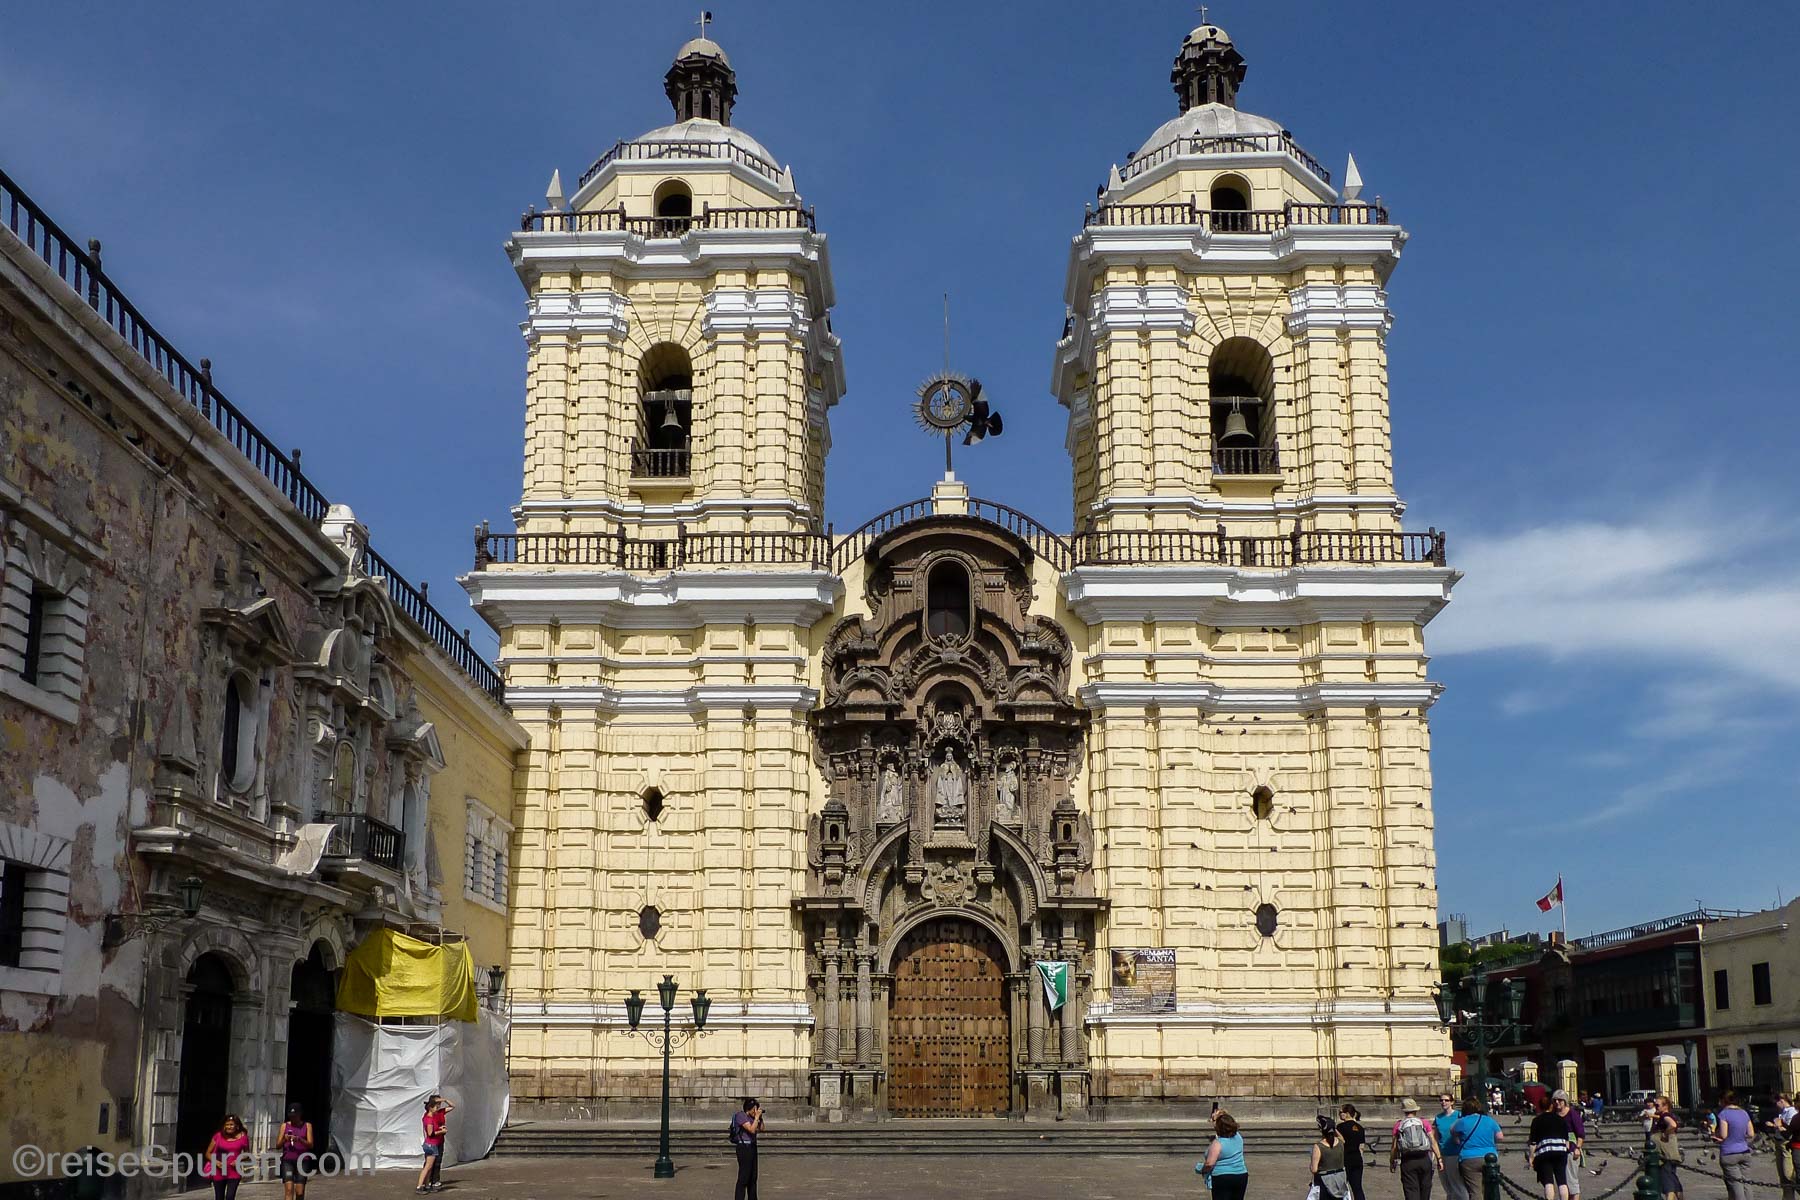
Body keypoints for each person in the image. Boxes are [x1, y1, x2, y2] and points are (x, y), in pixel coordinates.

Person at [1449, 1097, 1506, 1200]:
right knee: (1490, 1188)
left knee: (1475, 1191)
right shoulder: (1489, 1120)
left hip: (1469, 1158)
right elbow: (1500, 1137)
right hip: (1489, 1157)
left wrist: (1458, 1140)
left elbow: (1452, 1130)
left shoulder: (1462, 1122)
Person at [1391, 1097, 1444, 1200]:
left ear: (1403, 1110)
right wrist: (1439, 1158)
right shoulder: (1424, 1122)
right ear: (1416, 1110)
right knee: (1425, 1188)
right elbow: (1432, 1141)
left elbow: (1394, 1147)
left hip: (1408, 1160)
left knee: (1411, 1190)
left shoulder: (1399, 1125)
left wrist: (1392, 1161)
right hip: (1424, 1159)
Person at [1528, 1096, 1573, 1200]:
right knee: (1562, 1181)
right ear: (1551, 1105)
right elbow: (1567, 1140)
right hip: (1561, 1151)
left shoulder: (1536, 1120)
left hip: (1545, 1152)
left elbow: (1533, 1142)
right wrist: (1567, 1151)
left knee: (1548, 1181)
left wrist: (1531, 1157)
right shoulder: (1561, 1120)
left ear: (1539, 1107)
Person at [1713, 1090, 1755, 1200]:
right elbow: (1751, 1133)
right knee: (1746, 1182)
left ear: (1723, 1101)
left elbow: (1724, 1134)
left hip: (1729, 1152)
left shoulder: (1724, 1114)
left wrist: (1716, 1138)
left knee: (1736, 1184)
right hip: (1744, 1151)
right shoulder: (1744, 1113)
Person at [1199, 1110, 1249, 1200]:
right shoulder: (1238, 1137)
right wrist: (1218, 1117)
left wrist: (1202, 1169)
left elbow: (1209, 1164)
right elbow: (1226, 1121)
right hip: (1241, 1175)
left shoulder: (1218, 1143)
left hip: (1223, 1177)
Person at [202, 1114, 250, 1200]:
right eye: (227, 1125)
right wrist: (216, 1162)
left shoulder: (243, 1138)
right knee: (219, 1197)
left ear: (237, 1126)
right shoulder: (218, 1136)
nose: (229, 1127)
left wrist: (239, 1160)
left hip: (234, 1171)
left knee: (230, 1197)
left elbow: (247, 1154)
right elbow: (208, 1153)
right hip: (219, 1171)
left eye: (231, 1124)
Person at [1433, 1092, 1469, 1200]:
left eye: (1446, 1100)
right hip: (1442, 1153)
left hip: (1455, 1153)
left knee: (1457, 1183)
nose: (1443, 1102)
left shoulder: (1459, 1115)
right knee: (1446, 1184)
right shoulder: (1438, 1118)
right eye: (1441, 1100)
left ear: (1452, 1102)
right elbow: (1435, 1137)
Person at [417, 1094, 455, 1193]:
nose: (438, 1107)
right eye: (436, 1105)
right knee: (428, 1166)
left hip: (436, 1142)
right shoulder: (429, 1117)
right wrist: (441, 1131)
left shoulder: (435, 1114)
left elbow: (452, 1106)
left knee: (433, 1164)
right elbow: (430, 1133)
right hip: (432, 1144)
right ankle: (421, 1185)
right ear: (431, 1107)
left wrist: (445, 1099)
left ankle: (427, 1184)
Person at [730, 1096, 764, 1200]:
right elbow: (752, 1130)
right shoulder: (741, 1116)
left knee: (753, 1177)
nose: (755, 1111)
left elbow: (762, 1129)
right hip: (744, 1147)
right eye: (754, 1109)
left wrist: (760, 1118)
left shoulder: (754, 1118)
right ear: (748, 1108)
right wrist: (756, 1118)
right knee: (744, 1177)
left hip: (752, 1147)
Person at [277, 1104, 314, 1200]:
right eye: (291, 1116)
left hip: (303, 1160)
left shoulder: (307, 1125)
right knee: (289, 1190)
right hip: (288, 1161)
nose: (293, 1118)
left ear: (300, 1114)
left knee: (299, 1191)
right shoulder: (284, 1126)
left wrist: (300, 1139)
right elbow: (278, 1146)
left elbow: (310, 1144)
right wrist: (284, 1139)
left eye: (295, 1116)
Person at [1652, 1095, 1685, 1200]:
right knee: (1672, 1177)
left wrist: (1665, 1134)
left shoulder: (1665, 1115)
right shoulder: (1664, 1115)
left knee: (1667, 1181)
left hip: (1666, 1154)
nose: (1655, 1107)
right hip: (1669, 1153)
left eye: (1657, 1105)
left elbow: (1673, 1125)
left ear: (1665, 1106)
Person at [1766, 1093, 1797, 1200]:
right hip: (1778, 1143)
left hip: (1786, 1144)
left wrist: (1777, 1125)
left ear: (1782, 1101)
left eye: (1777, 1102)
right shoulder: (1782, 1113)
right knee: (1783, 1177)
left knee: (1789, 1174)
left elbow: (1790, 1131)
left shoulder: (1792, 1112)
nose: (1776, 1104)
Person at [1313, 1115, 1351, 1200]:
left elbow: (1314, 1169)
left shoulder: (1319, 1146)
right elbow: (1342, 1138)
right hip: (1340, 1178)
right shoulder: (1340, 1142)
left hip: (1325, 1180)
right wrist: (1333, 1128)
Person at [1556, 1091, 1586, 1199]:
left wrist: (1578, 1148)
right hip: (1558, 1150)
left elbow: (1580, 1133)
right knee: (1563, 1183)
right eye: (1555, 1100)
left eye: (1559, 1100)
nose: (1557, 1102)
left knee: (1572, 1181)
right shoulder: (1554, 1114)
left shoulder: (1572, 1113)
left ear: (1565, 1101)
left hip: (1571, 1150)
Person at [1339, 1104, 1369, 1200]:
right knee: (1357, 1188)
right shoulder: (1360, 1128)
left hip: (1344, 1159)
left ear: (1347, 1114)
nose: (1339, 1114)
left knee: (1340, 1187)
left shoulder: (1340, 1127)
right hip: (1357, 1159)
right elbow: (1362, 1147)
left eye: (1341, 1112)